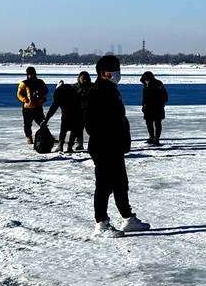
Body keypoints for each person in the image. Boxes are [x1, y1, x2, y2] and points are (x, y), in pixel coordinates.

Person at [84, 55, 151, 238]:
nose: (116, 75)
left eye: (117, 72)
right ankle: (101, 224)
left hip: (115, 146)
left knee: (121, 184)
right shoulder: (96, 91)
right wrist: (109, 139)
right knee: (104, 186)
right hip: (103, 147)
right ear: (102, 73)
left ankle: (128, 219)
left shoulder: (112, 90)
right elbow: (91, 124)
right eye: (112, 72)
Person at [44, 79, 84, 153]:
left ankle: (61, 145)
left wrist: (46, 119)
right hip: (76, 113)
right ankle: (69, 147)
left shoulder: (59, 93)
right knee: (73, 130)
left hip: (68, 113)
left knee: (63, 129)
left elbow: (53, 107)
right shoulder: (72, 91)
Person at [16, 66, 48, 144]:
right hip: (28, 107)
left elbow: (45, 90)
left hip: (38, 107)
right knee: (27, 124)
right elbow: (19, 94)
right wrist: (25, 100)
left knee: (43, 122)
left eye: (32, 74)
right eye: (29, 74)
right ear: (27, 75)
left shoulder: (40, 82)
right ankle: (29, 137)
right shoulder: (24, 83)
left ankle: (47, 136)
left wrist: (42, 96)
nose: (31, 76)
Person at [139, 71, 168, 145]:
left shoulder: (158, 83)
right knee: (148, 122)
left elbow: (164, 95)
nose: (146, 81)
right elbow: (145, 97)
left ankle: (157, 138)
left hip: (158, 107)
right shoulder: (146, 85)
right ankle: (151, 137)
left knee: (157, 123)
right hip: (148, 107)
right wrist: (143, 106)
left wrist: (161, 104)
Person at [72, 71, 93, 151]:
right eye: (82, 79)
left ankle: (94, 143)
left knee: (91, 128)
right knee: (78, 128)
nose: (83, 81)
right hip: (78, 111)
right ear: (79, 78)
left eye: (85, 79)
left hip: (90, 111)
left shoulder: (92, 87)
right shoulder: (74, 87)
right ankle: (79, 143)